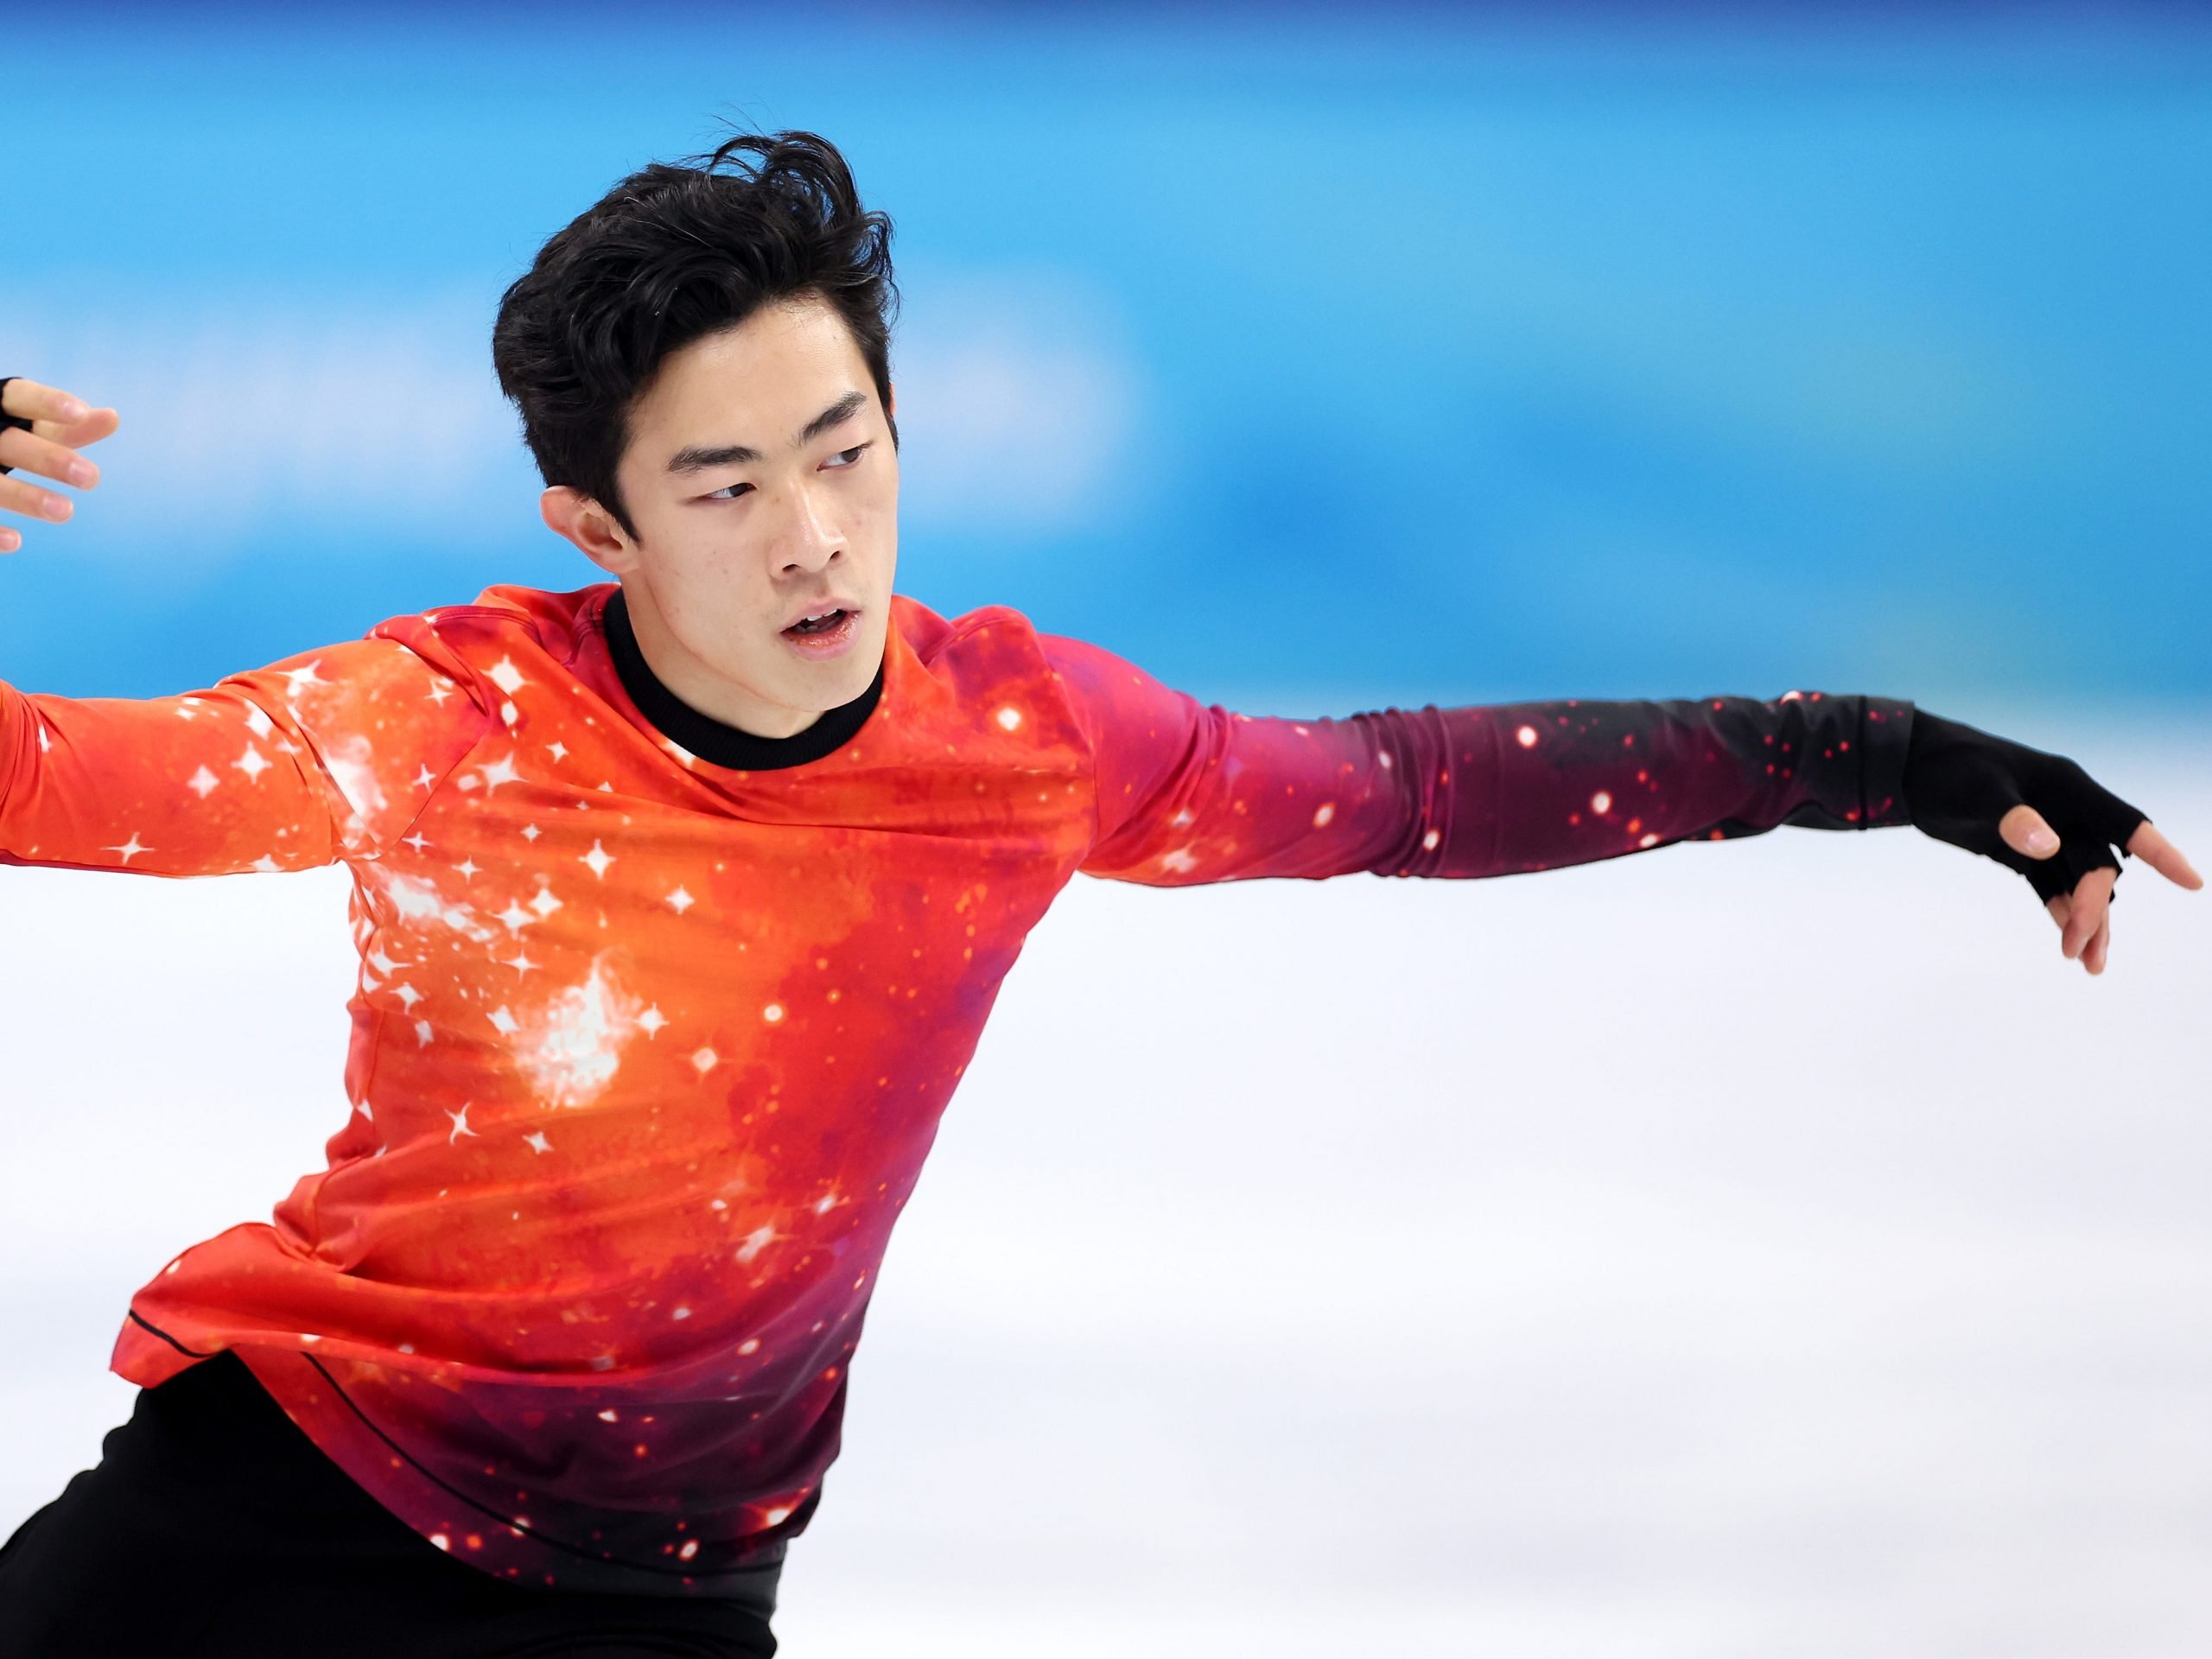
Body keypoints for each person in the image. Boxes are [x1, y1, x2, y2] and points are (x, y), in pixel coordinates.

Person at [0, 129, 2198, 1659]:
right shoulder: (437, 719)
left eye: (848, 451)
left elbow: (1413, 791)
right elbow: (60, 783)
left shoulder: (1020, 742)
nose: (814, 543)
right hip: (267, 1500)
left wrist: (1882, 758)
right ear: (598, 528)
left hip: (642, 1594)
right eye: (727, 485)